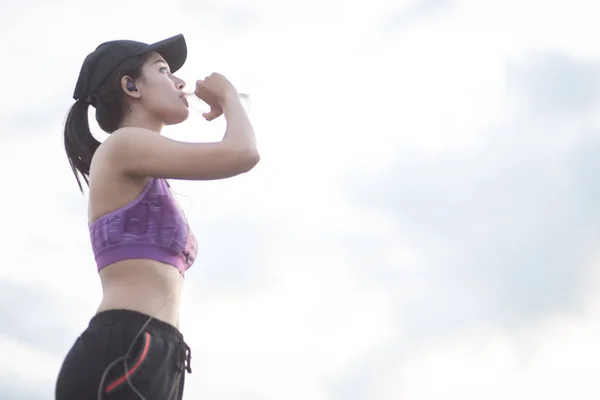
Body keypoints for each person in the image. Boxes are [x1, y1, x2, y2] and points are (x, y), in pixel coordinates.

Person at [55, 33, 259, 400]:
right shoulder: (122, 145)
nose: (181, 82)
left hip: (158, 353)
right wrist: (229, 95)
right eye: (164, 71)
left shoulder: (145, 163)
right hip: (128, 349)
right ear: (130, 86)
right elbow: (244, 153)